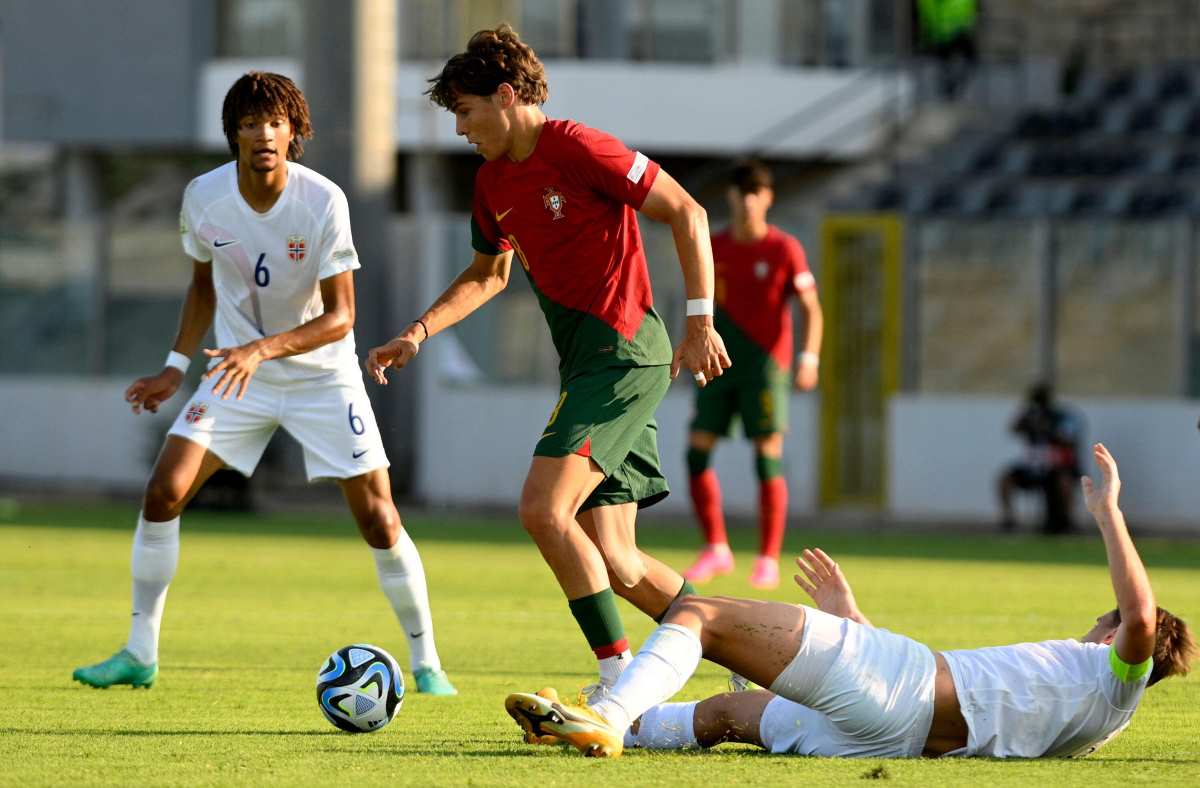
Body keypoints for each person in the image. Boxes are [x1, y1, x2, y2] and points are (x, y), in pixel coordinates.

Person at [365, 25, 730, 700]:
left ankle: (617, 678)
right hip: (589, 368)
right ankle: (739, 647)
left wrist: (700, 321)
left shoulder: (577, 146)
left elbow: (687, 210)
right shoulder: (491, 182)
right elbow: (486, 276)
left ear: (505, 98)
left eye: (467, 113)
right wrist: (417, 332)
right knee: (617, 560)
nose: (461, 130)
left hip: (622, 359)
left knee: (542, 510)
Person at [72, 72, 456, 696]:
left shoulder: (324, 200)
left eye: (275, 122)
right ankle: (139, 652)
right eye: (250, 123)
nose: (263, 134)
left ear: (295, 132)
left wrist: (260, 349)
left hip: (322, 378)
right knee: (164, 491)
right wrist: (175, 365)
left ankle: (427, 662)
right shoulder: (203, 197)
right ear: (234, 134)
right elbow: (202, 287)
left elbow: (342, 318)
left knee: (380, 521)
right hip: (234, 373)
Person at [506, 443, 1195, 758]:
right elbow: (977, 696)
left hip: (897, 685)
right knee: (722, 714)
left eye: (1101, 622)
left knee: (700, 616)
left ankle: (610, 709)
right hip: (897, 733)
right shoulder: (1094, 728)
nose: (1096, 624)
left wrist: (1108, 512)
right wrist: (854, 620)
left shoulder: (1112, 679)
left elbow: (1138, 614)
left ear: (1120, 644)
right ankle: (595, 727)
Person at [682, 160, 823, 589]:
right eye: (740, 191)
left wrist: (809, 357)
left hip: (765, 365)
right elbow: (695, 301)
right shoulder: (714, 245)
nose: (747, 199)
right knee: (697, 450)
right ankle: (716, 548)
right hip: (719, 360)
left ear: (767, 198)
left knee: (766, 451)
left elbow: (811, 308)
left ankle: (767, 558)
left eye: (755, 192)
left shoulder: (784, 249)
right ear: (730, 196)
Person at [998, 382, 1084, 534]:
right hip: (1034, 466)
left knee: (1064, 481)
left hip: (1057, 466)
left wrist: (1048, 427)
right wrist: (1028, 417)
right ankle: (1009, 519)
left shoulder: (1061, 416)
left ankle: (1068, 520)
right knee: (1005, 479)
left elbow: (1069, 438)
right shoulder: (1029, 416)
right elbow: (1014, 428)